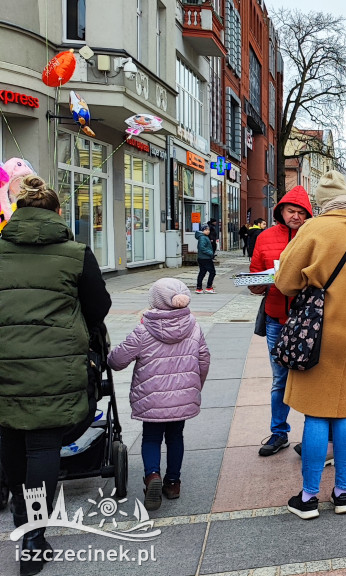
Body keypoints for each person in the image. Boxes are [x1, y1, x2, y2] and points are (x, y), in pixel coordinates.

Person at [0, 175, 111, 576]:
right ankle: (33, 536)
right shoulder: (75, 252)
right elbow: (99, 307)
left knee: (10, 437)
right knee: (43, 448)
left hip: (5, 362)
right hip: (56, 364)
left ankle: (19, 511)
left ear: (16, 211)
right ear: (58, 212)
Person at [275, 171, 346, 520]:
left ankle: (309, 497)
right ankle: (343, 493)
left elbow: (285, 282)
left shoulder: (314, 229)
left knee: (316, 413)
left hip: (319, 334)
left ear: (323, 204)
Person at [107, 279, 210, 511]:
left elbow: (117, 361)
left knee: (151, 438)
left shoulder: (144, 329)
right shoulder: (194, 326)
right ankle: (173, 483)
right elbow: (204, 359)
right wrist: (194, 387)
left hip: (152, 400)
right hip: (182, 398)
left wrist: (108, 357)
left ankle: (152, 475)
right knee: (176, 437)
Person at [249, 188, 313, 457]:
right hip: (276, 318)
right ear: (281, 211)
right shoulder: (265, 237)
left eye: (301, 212)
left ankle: (313, 436)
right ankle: (279, 433)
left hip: (308, 321)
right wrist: (263, 281)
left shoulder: (314, 237)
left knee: (311, 379)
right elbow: (254, 281)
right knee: (280, 379)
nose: (295, 216)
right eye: (291, 211)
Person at [195, 224, 216, 294]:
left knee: (202, 272)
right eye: (206, 230)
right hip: (205, 258)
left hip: (202, 258)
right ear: (202, 230)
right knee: (212, 272)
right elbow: (202, 248)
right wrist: (210, 253)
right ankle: (209, 287)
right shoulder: (203, 238)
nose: (208, 231)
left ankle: (199, 288)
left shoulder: (203, 237)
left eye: (208, 230)